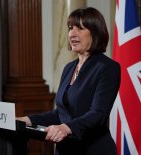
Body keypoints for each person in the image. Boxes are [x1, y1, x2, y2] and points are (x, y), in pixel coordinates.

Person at [17, 7, 121, 155]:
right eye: (70, 28)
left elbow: (98, 114)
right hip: (65, 150)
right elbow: (61, 113)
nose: (72, 33)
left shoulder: (107, 67)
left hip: (93, 150)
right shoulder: (69, 68)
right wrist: (27, 120)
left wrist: (65, 128)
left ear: (95, 32)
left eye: (80, 28)